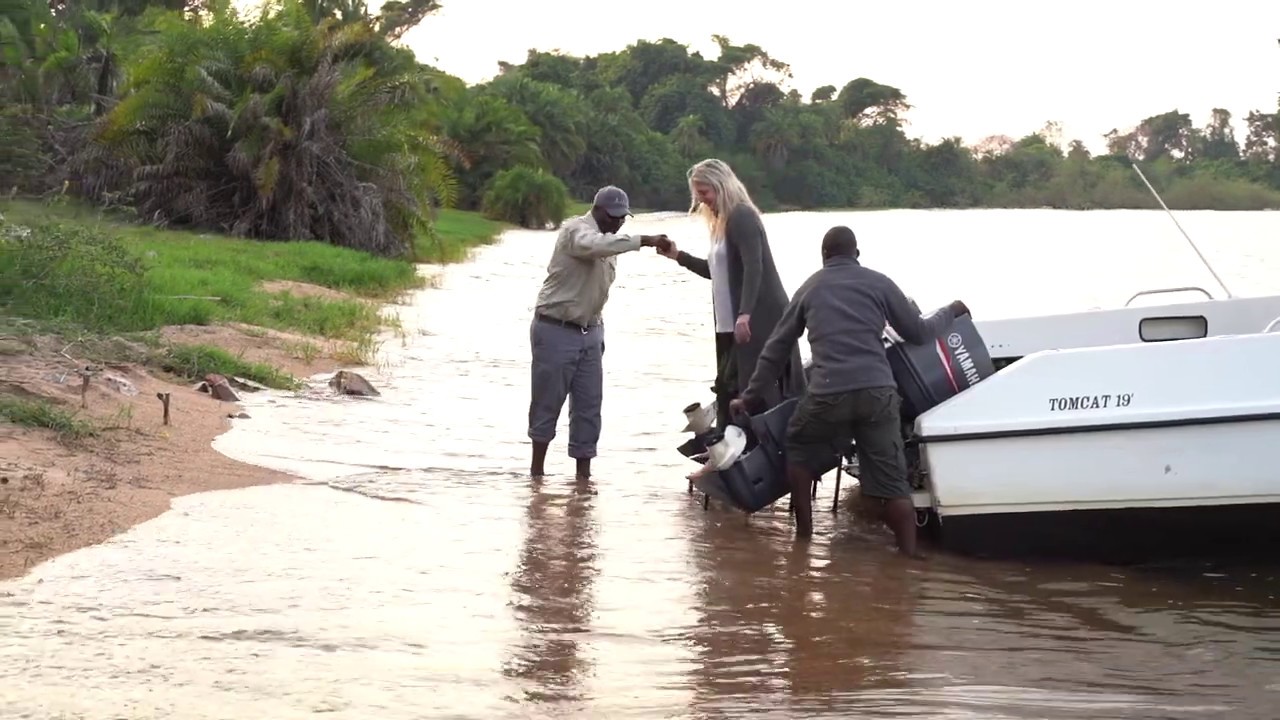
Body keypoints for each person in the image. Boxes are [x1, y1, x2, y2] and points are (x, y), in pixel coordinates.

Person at [730, 225, 970, 558]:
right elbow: (918, 331)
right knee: (892, 480)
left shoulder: (810, 287)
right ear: (856, 254)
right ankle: (909, 559)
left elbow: (777, 347)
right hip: (878, 394)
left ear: (824, 256)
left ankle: (804, 538)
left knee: (797, 443)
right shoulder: (879, 282)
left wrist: (750, 396)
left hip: (828, 394)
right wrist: (951, 311)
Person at [528, 185, 671, 480]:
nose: (618, 222)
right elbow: (594, 246)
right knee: (547, 403)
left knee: (589, 407)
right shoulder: (575, 231)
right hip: (556, 327)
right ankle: (536, 476)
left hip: (591, 332)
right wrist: (644, 240)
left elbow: (605, 255)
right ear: (597, 210)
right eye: (614, 216)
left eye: (622, 218)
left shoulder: (612, 241)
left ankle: (583, 482)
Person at [657, 158, 805, 430]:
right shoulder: (721, 222)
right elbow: (718, 273)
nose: (702, 201)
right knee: (727, 387)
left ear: (721, 186)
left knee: (752, 386)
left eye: (705, 193)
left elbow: (754, 267)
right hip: (728, 323)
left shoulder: (742, 216)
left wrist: (745, 314)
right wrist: (678, 256)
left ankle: (755, 447)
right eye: (698, 195)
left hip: (759, 317)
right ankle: (729, 446)